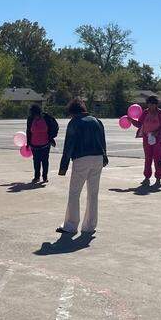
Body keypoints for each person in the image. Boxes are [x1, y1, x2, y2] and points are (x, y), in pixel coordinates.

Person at [57, 99, 108, 235]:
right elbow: (103, 140)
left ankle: (70, 225)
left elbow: (69, 145)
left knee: (74, 193)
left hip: (81, 159)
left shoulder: (74, 122)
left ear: (72, 112)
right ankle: (89, 226)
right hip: (97, 158)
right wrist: (104, 156)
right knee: (93, 193)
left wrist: (63, 167)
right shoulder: (97, 121)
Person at [129, 96, 161, 188]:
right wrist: (131, 120)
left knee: (158, 159)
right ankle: (147, 177)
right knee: (148, 158)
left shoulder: (160, 113)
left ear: (156, 105)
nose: (150, 106)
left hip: (158, 139)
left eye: (152, 104)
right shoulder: (145, 112)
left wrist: (157, 132)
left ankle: (158, 178)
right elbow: (139, 124)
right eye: (149, 104)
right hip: (147, 138)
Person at [25, 103, 59, 184]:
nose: (35, 116)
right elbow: (28, 131)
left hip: (45, 144)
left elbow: (55, 126)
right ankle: (37, 177)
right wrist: (28, 143)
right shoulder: (30, 119)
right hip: (34, 144)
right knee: (36, 161)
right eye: (33, 115)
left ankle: (45, 177)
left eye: (36, 114)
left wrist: (51, 137)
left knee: (45, 160)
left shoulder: (47, 118)